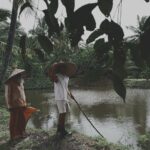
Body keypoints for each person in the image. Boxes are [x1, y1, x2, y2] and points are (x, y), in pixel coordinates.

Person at [5, 68, 38, 141]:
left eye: (21, 76)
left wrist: (25, 103)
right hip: (14, 106)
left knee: (22, 120)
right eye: (19, 76)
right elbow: (8, 95)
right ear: (15, 76)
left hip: (22, 105)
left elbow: (22, 95)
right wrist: (9, 105)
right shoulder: (10, 83)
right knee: (14, 120)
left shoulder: (21, 83)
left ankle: (20, 133)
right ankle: (13, 135)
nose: (21, 77)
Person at [49, 62, 77, 137]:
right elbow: (53, 79)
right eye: (61, 68)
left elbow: (66, 88)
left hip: (64, 97)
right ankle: (62, 131)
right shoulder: (57, 76)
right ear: (59, 69)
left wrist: (71, 95)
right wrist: (53, 69)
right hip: (59, 97)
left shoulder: (66, 77)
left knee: (64, 113)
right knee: (63, 113)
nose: (63, 69)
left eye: (64, 68)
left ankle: (59, 129)